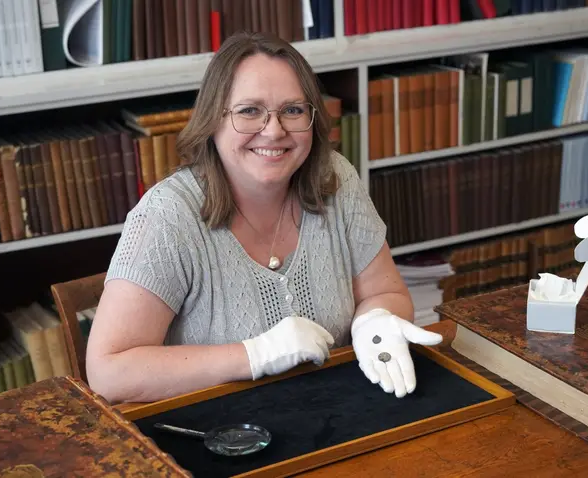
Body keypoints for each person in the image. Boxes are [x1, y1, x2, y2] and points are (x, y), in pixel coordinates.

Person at [85, 31, 442, 405]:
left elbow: (385, 293)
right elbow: (109, 372)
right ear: (213, 119)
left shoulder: (335, 179)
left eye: (293, 110)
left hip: (338, 410)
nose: (274, 131)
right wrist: (253, 355)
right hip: (219, 428)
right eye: (249, 111)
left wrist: (375, 322)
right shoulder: (166, 217)